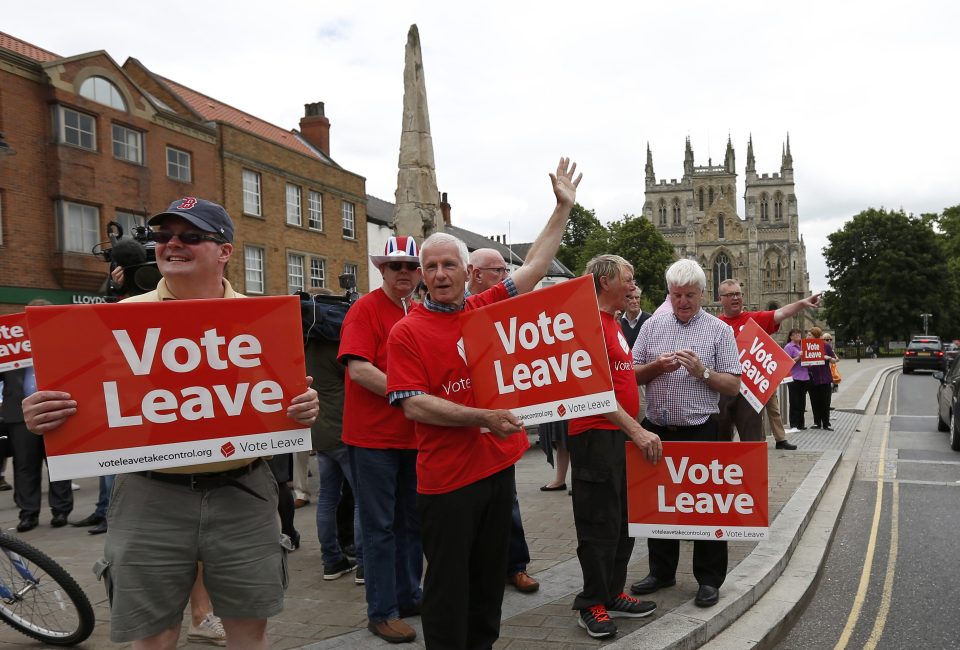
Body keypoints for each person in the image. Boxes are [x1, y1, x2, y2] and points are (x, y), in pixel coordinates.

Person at [22, 197, 319, 649]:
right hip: (149, 495)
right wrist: (44, 414)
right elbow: (90, 404)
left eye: (190, 236)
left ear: (224, 251)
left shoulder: (264, 321)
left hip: (243, 493)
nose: (172, 244)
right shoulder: (116, 320)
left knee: (248, 631)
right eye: (163, 236)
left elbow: (276, 400)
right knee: (153, 637)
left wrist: (302, 407)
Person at [386, 157, 580, 649]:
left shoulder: (483, 308)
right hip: (447, 483)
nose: (440, 273)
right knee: (448, 588)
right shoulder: (407, 331)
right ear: (423, 276)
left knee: (489, 580)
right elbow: (414, 405)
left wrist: (562, 209)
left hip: (496, 471)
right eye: (430, 267)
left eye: (448, 264)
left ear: (465, 271)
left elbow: (535, 267)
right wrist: (484, 417)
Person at [630, 259, 741, 608]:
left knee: (705, 509)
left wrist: (703, 372)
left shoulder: (719, 331)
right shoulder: (652, 327)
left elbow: (734, 385)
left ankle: (708, 580)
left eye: (690, 295)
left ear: (703, 293)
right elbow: (632, 374)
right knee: (658, 507)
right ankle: (661, 572)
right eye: (677, 295)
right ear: (669, 293)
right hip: (657, 431)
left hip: (701, 431)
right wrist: (655, 367)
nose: (683, 302)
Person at [568, 255, 662, 639]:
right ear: (605, 282)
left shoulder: (612, 323)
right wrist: (637, 432)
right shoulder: (586, 322)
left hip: (618, 435)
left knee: (624, 519)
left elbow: (620, 375)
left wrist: (656, 368)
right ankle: (591, 602)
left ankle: (612, 593)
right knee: (599, 523)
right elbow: (594, 390)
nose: (634, 288)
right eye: (629, 279)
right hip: (595, 436)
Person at [338, 236, 422, 644]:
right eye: (395, 266)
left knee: (410, 523)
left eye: (410, 265)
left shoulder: (417, 311)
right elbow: (358, 369)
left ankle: (407, 596)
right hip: (373, 438)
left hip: (411, 436)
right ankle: (382, 611)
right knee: (380, 527)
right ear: (382, 270)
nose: (403, 272)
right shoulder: (365, 308)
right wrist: (412, 394)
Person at [466, 247, 539, 595]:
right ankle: (482, 568)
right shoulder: (460, 310)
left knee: (507, 500)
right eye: (499, 270)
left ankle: (516, 566)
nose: (505, 276)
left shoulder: (508, 309)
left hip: (502, 425)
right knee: (471, 506)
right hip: (465, 428)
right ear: (476, 274)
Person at [715, 279, 820, 449]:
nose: (735, 298)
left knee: (753, 442)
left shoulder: (753, 319)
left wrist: (801, 303)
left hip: (750, 393)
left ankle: (754, 473)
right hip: (723, 391)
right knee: (721, 441)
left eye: (738, 294)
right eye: (730, 295)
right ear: (721, 299)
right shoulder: (714, 325)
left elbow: (780, 313)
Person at [304, 287, 364, 584]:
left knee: (328, 498)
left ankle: (332, 561)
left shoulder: (302, 342)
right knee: (362, 498)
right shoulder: (334, 344)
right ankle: (365, 565)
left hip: (319, 431)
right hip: (345, 428)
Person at [1, 299, 73, 533]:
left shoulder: (62, 346)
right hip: (19, 414)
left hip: (56, 411)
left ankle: (61, 510)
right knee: (24, 465)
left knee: (59, 465)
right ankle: (28, 514)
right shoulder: (10, 347)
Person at [807, 326, 837, 430]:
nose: (807, 336)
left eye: (809, 335)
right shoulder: (806, 347)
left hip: (825, 378)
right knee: (814, 401)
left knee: (825, 401)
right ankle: (817, 423)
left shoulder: (826, 346)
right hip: (812, 377)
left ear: (815, 335)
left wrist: (828, 358)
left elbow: (836, 359)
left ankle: (826, 423)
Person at [784, 328, 811, 430]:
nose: (798, 336)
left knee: (802, 402)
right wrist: (798, 357)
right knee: (794, 401)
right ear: (791, 337)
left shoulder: (804, 346)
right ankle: (794, 424)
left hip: (805, 377)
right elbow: (787, 362)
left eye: (799, 334)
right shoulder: (789, 347)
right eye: (795, 334)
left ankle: (801, 424)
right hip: (794, 377)